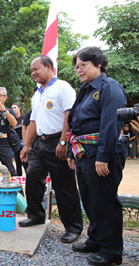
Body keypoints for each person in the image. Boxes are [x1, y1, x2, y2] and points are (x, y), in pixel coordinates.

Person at [68, 47, 127, 265]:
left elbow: (110, 124)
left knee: (105, 200)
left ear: (98, 63)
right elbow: (76, 123)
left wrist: (103, 156)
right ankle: (96, 238)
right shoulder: (85, 90)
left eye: (83, 65)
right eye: (77, 66)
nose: (78, 70)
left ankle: (111, 251)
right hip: (84, 152)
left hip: (103, 154)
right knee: (90, 199)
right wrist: (70, 152)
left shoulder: (109, 88)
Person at [19, 55, 83, 244]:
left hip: (58, 140)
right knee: (32, 178)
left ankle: (73, 227)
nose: (33, 73)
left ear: (48, 67)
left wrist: (63, 142)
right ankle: (36, 215)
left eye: (36, 69)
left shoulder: (62, 88)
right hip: (40, 143)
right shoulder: (37, 94)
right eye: (31, 70)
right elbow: (33, 122)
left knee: (64, 186)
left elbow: (69, 115)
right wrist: (27, 145)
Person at [11, 102, 27, 176]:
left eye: (15, 107)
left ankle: (29, 179)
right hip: (16, 143)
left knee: (25, 163)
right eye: (12, 108)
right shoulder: (12, 120)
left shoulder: (24, 117)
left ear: (19, 108)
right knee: (18, 163)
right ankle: (19, 183)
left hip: (24, 142)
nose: (13, 109)